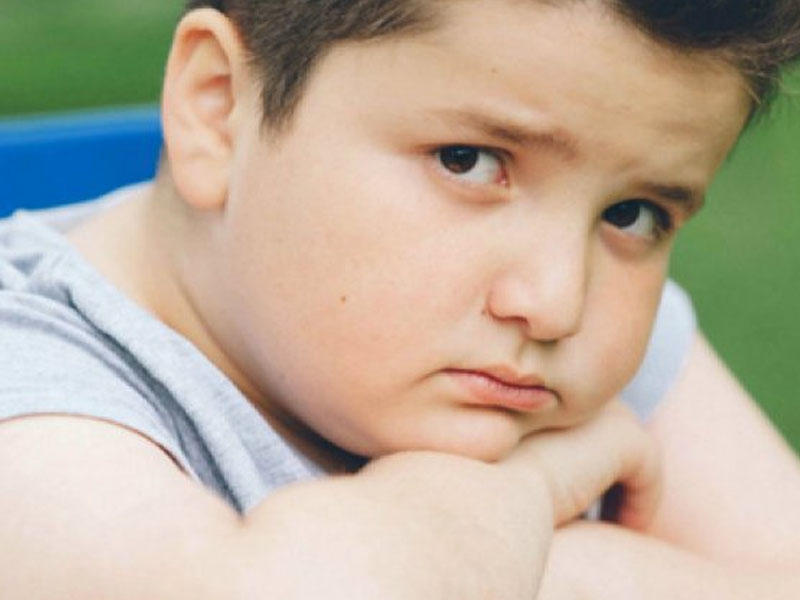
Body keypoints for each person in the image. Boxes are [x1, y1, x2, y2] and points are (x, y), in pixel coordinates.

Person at [1, 1, 800, 598]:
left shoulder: (575, 344)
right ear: (219, 110)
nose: (556, 303)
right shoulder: (29, 378)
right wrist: (517, 503)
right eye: (468, 161)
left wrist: (557, 573)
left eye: (633, 215)